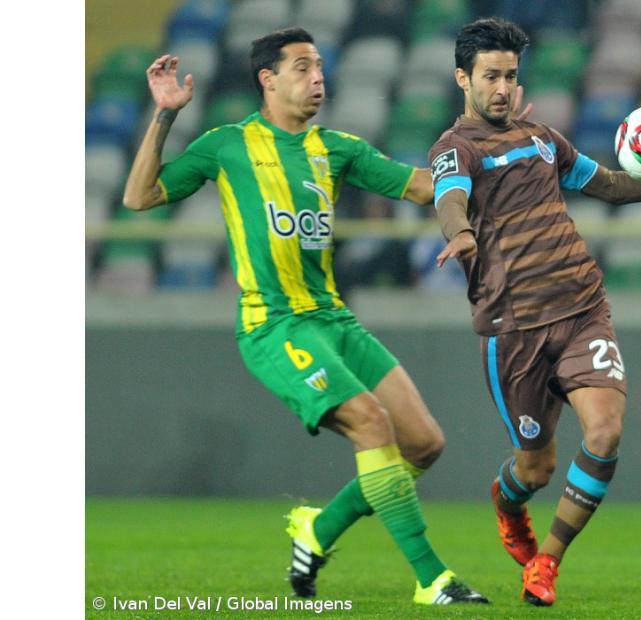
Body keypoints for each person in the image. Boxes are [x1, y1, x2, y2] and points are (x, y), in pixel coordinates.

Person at [121, 27, 497, 605]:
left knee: (423, 444)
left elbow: (421, 188)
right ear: (267, 80)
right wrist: (165, 116)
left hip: (335, 321)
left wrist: (493, 169)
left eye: (320, 67)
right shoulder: (228, 145)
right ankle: (433, 579)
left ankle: (316, 530)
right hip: (274, 326)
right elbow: (139, 197)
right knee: (372, 423)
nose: (317, 78)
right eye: (302, 68)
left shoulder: (338, 148)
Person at [428, 17, 641, 607]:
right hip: (511, 329)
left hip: (581, 309)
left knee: (605, 430)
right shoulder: (456, 148)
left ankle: (546, 562)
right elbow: (450, 195)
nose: (501, 86)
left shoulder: (544, 139)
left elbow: (613, 186)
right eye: (490, 75)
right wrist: (461, 233)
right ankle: (506, 500)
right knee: (536, 467)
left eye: (510, 75)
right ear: (462, 78)